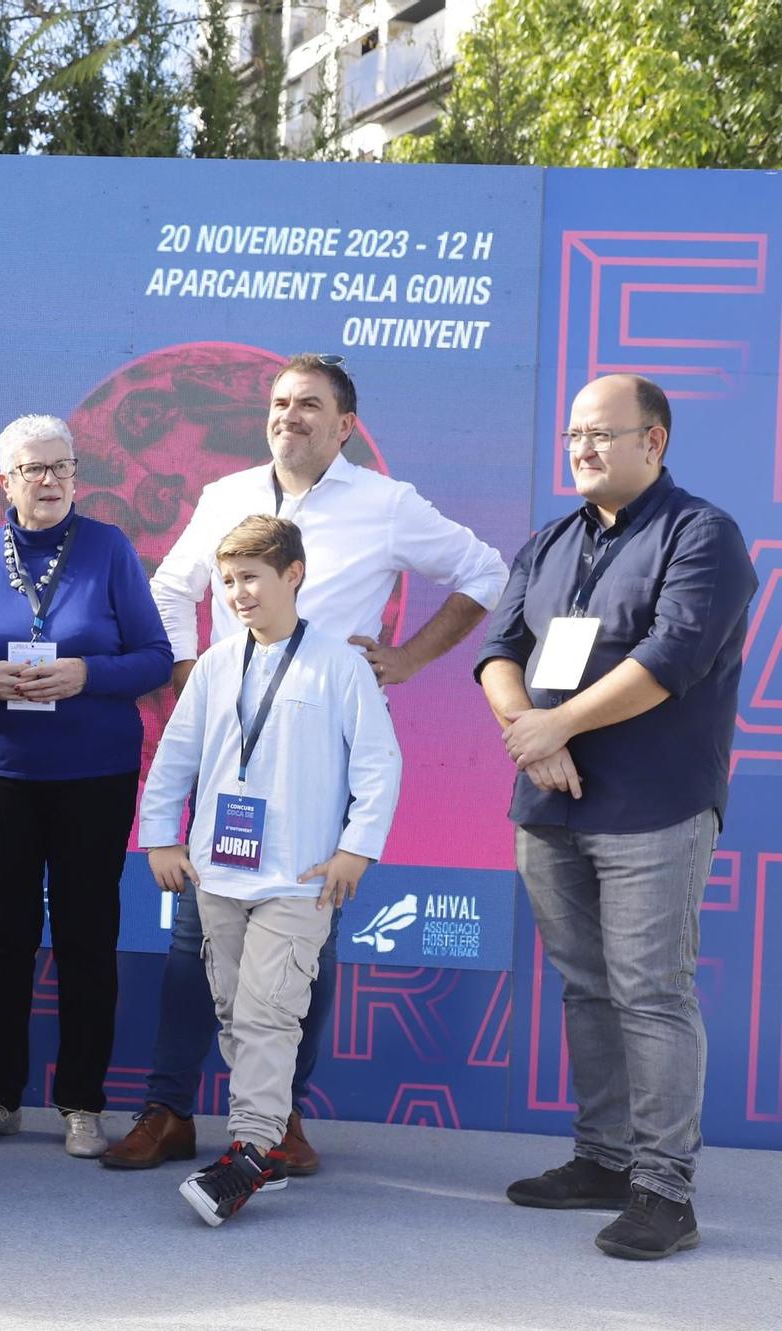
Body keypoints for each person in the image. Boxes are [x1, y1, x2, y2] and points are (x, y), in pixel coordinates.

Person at [108, 353, 506, 1175]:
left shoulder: (386, 503)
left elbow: (487, 572)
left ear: (345, 424)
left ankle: (279, 1119)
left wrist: (406, 657)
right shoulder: (226, 496)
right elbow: (171, 587)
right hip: (230, 748)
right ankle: (169, 1109)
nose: (290, 416)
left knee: (305, 947)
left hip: (321, 752)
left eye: (311, 405)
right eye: (281, 402)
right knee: (195, 945)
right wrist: (192, 676)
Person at [476, 374, 755, 1261]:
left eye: (602, 433)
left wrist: (557, 723)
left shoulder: (702, 534)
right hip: (548, 800)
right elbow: (498, 649)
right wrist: (532, 736)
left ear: (655, 441)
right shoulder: (550, 539)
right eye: (573, 434)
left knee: (651, 991)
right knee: (586, 986)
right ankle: (601, 1157)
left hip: (654, 805)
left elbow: (672, 657)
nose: (583, 448)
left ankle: (665, 1189)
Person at [139, 515, 401, 1227]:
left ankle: (253, 1151)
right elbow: (176, 755)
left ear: (294, 574)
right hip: (219, 875)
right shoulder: (218, 663)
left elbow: (379, 762)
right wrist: (161, 837)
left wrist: (356, 848)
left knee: (268, 1010)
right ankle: (263, 1128)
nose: (238, 592)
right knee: (234, 1010)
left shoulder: (339, 664)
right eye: (226, 581)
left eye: (252, 576)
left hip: (300, 878)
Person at [0, 415, 172, 1158]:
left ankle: (81, 1102)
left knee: (86, 935)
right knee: (3, 935)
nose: (51, 480)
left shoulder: (109, 550)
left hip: (93, 774)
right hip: (1, 773)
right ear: (4, 480)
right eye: (34, 469)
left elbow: (156, 658)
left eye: (62, 466)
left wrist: (87, 674)